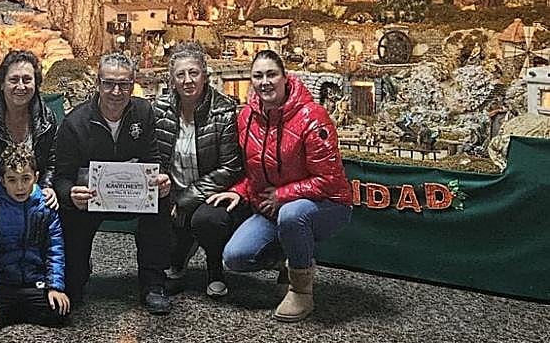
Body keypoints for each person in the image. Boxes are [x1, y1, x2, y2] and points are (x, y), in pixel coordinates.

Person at [208, 50, 353, 322]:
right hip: (272, 207)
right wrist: (238, 191)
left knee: (292, 215)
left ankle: (301, 291)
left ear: (285, 77)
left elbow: (329, 180)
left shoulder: (313, 117)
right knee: (235, 258)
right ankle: (291, 257)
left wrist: (283, 195)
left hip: (325, 205)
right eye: (258, 76)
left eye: (271, 74)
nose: (265, 82)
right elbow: (253, 172)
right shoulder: (246, 118)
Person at [52, 53, 173, 314]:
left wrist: (161, 179)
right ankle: (76, 276)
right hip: (90, 201)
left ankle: (153, 284)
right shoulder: (75, 123)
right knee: (69, 213)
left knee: (161, 200)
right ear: (98, 84)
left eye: (124, 84)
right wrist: (70, 193)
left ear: (133, 84)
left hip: (134, 197)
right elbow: (60, 177)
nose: (116, 92)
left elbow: (153, 160)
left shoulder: (144, 112)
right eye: (109, 83)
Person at [152, 42, 244, 298]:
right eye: (180, 74)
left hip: (210, 193)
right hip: (172, 190)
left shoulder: (224, 110)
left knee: (208, 220)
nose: (187, 80)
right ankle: (175, 262)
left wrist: (187, 199)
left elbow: (230, 168)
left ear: (205, 75)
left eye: (193, 73)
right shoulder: (159, 109)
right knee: (156, 224)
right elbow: (155, 155)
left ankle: (215, 270)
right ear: (172, 80)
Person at [0, 143, 70, 331]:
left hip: (35, 281)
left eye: (26, 179)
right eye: (12, 180)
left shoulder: (46, 206)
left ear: (36, 177)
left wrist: (55, 287)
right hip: (5, 283)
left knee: (59, 311)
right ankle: (14, 310)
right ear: (3, 180)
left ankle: (20, 311)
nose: (19, 187)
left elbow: (55, 249)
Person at [0, 50, 59, 216]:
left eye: (27, 80)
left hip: (32, 201)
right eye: (13, 80)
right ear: (2, 84)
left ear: (36, 84)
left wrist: (47, 187)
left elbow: (52, 162)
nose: (21, 86)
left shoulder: (47, 118)